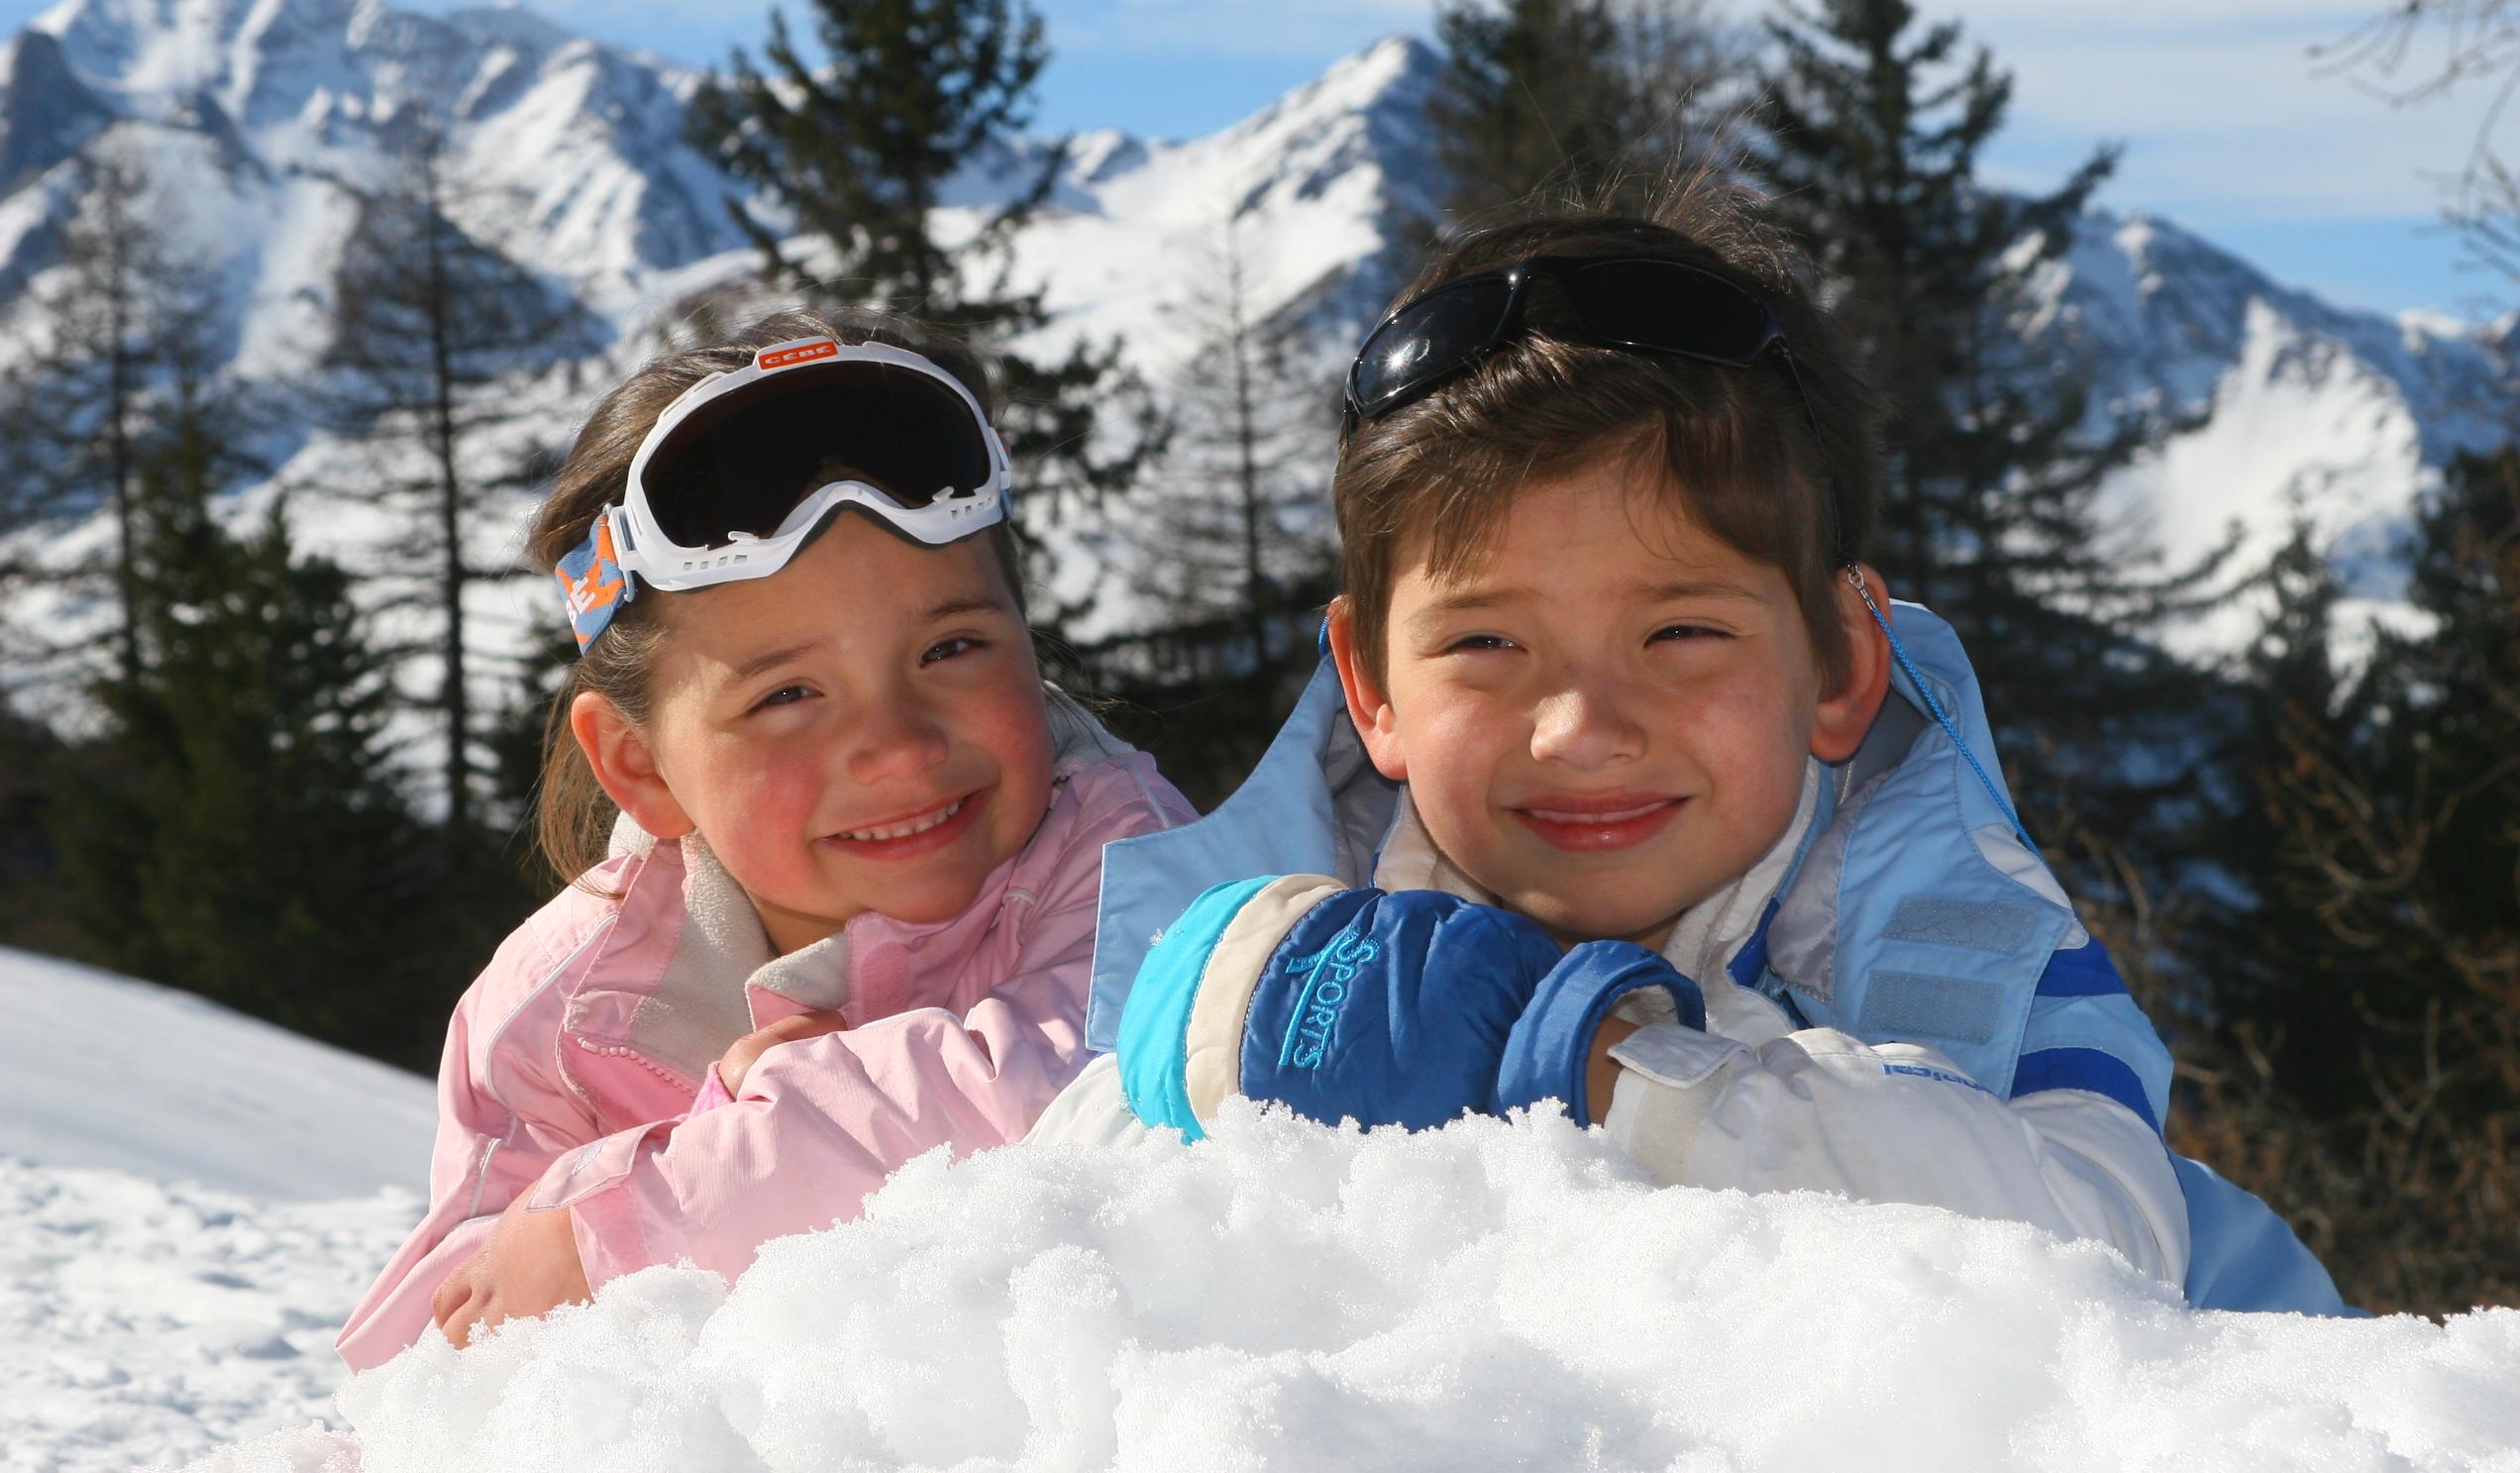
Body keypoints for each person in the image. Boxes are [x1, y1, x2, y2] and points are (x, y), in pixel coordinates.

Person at [1029, 188, 2347, 1315]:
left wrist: (1606, 1076)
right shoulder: (1317, 940)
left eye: (1680, 630)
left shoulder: (1951, 937)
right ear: (1371, 688)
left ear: (1838, 665)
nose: (1584, 727)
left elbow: (2091, 1247)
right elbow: (1055, 1221)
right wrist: (1215, 1041)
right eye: (1488, 644)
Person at [338, 313, 1197, 1369]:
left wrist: (674, 1191)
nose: (897, 744)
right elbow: (432, 1344)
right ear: (641, 766)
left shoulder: (1128, 857)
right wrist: (700, 1129)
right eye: (789, 694)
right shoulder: (563, 1013)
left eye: (952, 646)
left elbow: (1100, 1083)